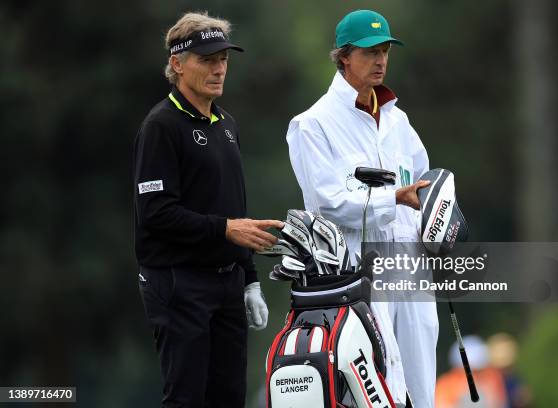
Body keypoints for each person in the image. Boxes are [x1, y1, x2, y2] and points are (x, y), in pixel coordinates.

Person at [286, 9, 437, 407]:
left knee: (422, 381)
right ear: (344, 57)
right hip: (357, 269)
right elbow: (328, 204)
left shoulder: (398, 119)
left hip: (410, 264)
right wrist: (395, 198)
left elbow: (424, 180)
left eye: (385, 49)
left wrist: (440, 215)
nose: (381, 59)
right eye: (370, 51)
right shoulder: (312, 124)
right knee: (376, 380)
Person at [134, 11, 283, 407]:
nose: (219, 69)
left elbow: (235, 209)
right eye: (207, 59)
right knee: (187, 398)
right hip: (178, 283)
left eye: (224, 59)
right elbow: (156, 213)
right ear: (178, 64)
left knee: (229, 397)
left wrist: (249, 277)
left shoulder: (226, 123)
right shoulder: (161, 127)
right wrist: (224, 230)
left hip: (227, 283)